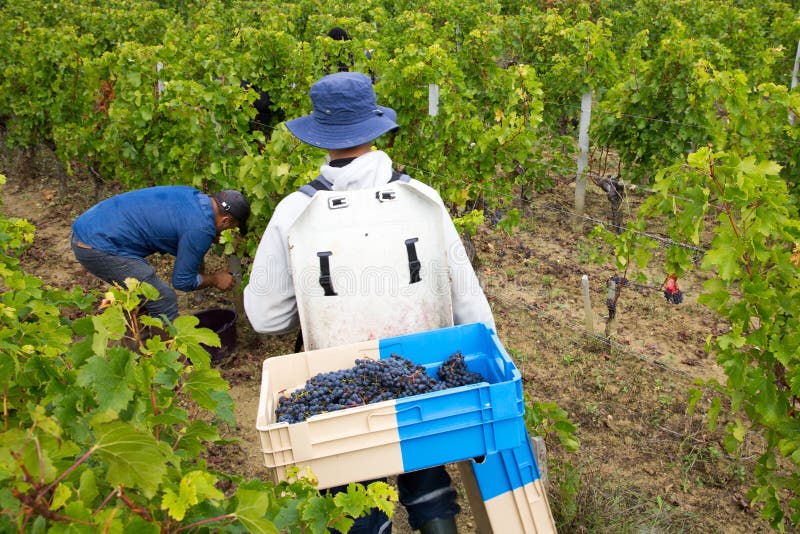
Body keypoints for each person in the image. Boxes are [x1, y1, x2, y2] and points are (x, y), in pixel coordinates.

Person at [244, 72, 494, 534]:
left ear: (320, 137)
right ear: (377, 127)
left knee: (351, 492)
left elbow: (265, 317)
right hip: (422, 374)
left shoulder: (293, 212)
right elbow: (469, 304)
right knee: (425, 464)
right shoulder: (423, 199)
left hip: (337, 382)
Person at [72, 186, 250, 321]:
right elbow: (182, 281)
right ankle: (169, 363)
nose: (229, 233)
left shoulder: (193, 196)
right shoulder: (199, 229)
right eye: (231, 229)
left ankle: (139, 350)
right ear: (226, 220)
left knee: (139, 296)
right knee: (162, 298)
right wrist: (216, 279)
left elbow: (183, 227)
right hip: (98, 245)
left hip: (91, 224)